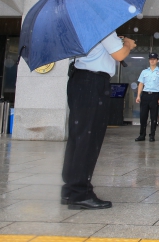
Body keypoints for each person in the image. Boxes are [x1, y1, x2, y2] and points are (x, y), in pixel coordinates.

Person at [62, 32, 136, 210]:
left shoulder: (82, 28)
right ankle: (80, 193)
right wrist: (128, 44)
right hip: (93, 82)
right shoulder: (102, 26)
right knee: (88, 138)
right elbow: (119, 54)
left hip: (80, 80)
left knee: (78, 138)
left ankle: (70, 189)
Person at [135, 52, 159, 142]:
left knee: (153, 117)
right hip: (145, 95)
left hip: (155, 95)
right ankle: (142, 135)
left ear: (157, 60)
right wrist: (138, 95)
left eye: (154, 59)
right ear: (149, 60)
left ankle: (152, 135)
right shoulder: (144, 71)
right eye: (151, 59)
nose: (152, 61)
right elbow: (141, 84)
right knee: (143, 116)